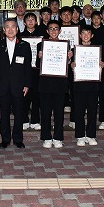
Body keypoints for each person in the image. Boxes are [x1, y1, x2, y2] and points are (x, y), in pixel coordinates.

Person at [0, 18, 32, 149]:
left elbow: (27, 67)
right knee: (4, 114)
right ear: (4, 30)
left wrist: (27, 84)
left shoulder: (24, 45)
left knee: (19, 113)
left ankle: (18, 139)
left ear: (17, 29)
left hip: (19, 85)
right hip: (2, 85)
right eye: (7, 27)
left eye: (13, 27)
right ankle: (5, 139)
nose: (10, 29)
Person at [37, 20, 69, 148]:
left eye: (56, 29)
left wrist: (70, 58)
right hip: (45, 85)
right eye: (51, 29)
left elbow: (69, 67)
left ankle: (58, 137)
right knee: (45, 113)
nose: (54, 31)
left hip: (60, 85)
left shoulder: (66, 45)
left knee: (59, 114)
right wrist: (40, 58)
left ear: (60, 31)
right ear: (47, 31)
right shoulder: (41, 45)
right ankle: (46, 137)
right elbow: (35, 65)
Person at [71, 25, 103, 146]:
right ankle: (80, 135)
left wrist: (101, 65)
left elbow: (101, 68)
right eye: (83, 33)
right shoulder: (74, 50)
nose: (85, 36)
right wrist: (71, 65)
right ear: (80, 35)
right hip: (79, 84)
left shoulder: (97, 50)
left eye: (88, 33)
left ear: (92, 35)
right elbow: (68, 67)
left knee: (92, 110)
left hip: (93, 85)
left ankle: (91, 135)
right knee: (79, 111)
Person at [19, 12, 42, 131]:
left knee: (37, 96)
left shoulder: (42, 37)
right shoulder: (20, 37)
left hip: (38, 70)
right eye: (28, 20)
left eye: (33, 19)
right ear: (24, 22)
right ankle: (24, 119)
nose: (30, 22)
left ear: (36, 22)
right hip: (24, 71)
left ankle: (35, 120)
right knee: (25, 96)